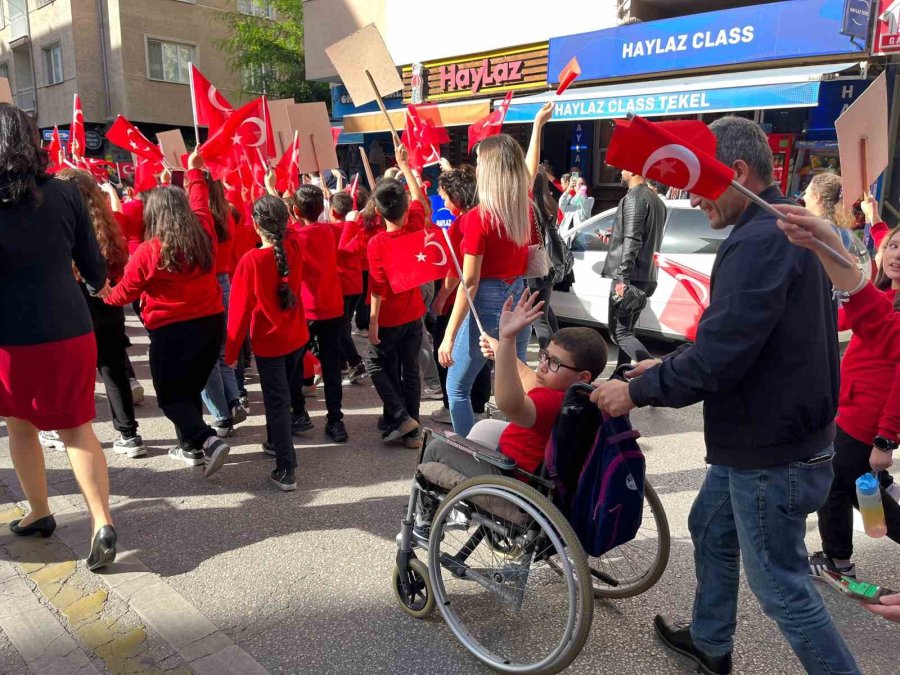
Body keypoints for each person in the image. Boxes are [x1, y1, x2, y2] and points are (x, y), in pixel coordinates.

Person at [592, 116, 860, 675]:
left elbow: (720, 357)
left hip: (771, 450)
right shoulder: (784, 225)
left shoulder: (765, 237)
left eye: (696, 184)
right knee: (710, 526)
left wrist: (636, 391)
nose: (691, 199)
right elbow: (745, 339)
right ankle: (711, 642)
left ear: (735, 173)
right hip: (764, 439)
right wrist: (666, 362)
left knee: (782, 587)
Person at [0, 103, 117, 571]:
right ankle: (102, 521)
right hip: (70, 327)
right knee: (77, 427)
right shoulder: (68, 193)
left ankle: (41, 512)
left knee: (19, 425)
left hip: (10, 336)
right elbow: (94, 267)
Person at [417, 291, 606, 536]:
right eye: (544, 356)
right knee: (484, 427)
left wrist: (507, 340)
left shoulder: (548, 402)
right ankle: (464, 505)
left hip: (517, 479)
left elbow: (509, 403)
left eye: (554, 364)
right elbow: (532, 380)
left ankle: (427, 522)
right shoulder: (580, 397)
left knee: (435, 448)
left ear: (583, 377)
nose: (543, 366)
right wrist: (500, 351)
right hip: (544, 472)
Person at [105, 151, 231, 479]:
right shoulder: (203, 229)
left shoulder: (150, 250)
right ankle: (190, 448)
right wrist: (193, 171)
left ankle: (206, 440)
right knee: (189, 389)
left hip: (172, 332)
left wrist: (102, 292)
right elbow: (200, 200)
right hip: (210, 325)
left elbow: (123, 293)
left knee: (171, 397)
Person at [809, 220, 900, 580]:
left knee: (839, 486)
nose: (897, 255)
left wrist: (885, 439)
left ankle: (837, 561)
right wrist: (874, 219)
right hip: (850, 411)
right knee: (855, 488)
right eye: (894, 246)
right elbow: (855, 315)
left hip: (868, 421)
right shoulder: (887, 295)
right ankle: (837, 557)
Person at [439, 132, 538, 437]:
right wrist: (537, 126)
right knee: (516, 379)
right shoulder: (524, 209)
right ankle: (517, 445)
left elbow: (469, 282)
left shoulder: (478, 218)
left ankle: (474, 454)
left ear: (490, 169)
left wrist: (448, 333)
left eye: (480, 161)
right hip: (519, 295)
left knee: (456, 388)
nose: (476, 166)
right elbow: (529, 172)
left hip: (488, 298)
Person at [56, 169, 145, 458]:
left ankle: (69, 431)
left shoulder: (59, 226)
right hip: (107, 305)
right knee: (114, 369)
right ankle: (129, 434)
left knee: (72, 373)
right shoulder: (110, 225)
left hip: (73, 307)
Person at [226, 196, 307, 491]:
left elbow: (238, 312)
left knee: (277, 402)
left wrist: (231, 353)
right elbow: (293, 228)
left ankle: (287, 468)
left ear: (256, 225)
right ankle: (275, 442)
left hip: (270, 342)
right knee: (283, 394)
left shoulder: (251, 260)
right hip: (296, 336)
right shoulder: (294, 246)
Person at [366, 144, 429, 448]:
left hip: (390, 316)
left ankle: (402, 417)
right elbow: (418, 199)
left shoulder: (377, 243)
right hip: (413, 312)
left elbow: (377, 287)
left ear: (378, 212)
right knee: (409, 371)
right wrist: (406, 166)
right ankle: (409, 429)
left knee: (377, 365)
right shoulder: (416, 226)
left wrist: (373, 321)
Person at [430, 169, 491, 426]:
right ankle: (479, 405)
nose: (443, 203)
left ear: (456, 196)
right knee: (481, 356)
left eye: (444, 197)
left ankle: (455, 410)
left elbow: (459, 272)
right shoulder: (486, 215)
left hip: (461, 299)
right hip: (485, 297)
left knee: (451, 357)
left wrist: (442, 296)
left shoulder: (464, 223)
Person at [288, 185, 349, 443]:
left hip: (307, 310)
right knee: (332, 366)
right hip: (333, 306)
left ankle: (299, 412)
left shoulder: (293, 236)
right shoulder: (329, 230)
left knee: (293, 363)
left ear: (296, 211)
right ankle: (335, 419)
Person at [601, 169, 665, 369]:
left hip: (630, 278)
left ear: (633, 170)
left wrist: (621, 279)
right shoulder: (656, 200)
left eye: (623, 167)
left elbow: (633, 240)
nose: (620, 171)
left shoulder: (636, 197)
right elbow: (638, 237)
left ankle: (653, 371)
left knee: (619, 333)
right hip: (646, 277)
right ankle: (622, 373)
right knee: (627, 331)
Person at [201, 175, 247, 438]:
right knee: (221, 352)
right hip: (225, 283)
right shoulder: (227, 216)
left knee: (208, 357)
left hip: (208, 285)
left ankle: (222, 415)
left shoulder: (202, 219)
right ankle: (232, 401)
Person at [330, 190, 368, 386]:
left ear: (333, 212)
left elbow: (342, 249)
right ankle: (344, 362)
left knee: (342, 328)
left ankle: (355, 362)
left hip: (345, 287)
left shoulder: (346, 229)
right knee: (342, 326)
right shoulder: (356, 227)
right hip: (354, 286)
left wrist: (350, 224)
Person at [530, 167, 562, 350]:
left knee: (539, 320)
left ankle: (547, 356)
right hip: (548, 265)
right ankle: (558, 349)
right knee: (546, 313)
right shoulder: (550, 204)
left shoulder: (530, 207)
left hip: (534, 267)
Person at [557, 175, 594, 239]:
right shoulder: (569, 200)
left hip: (580, 237)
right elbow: (561, 203)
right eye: (577, 184)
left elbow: (580, 200)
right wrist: (569, 187)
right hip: (565, 236)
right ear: (574, 186)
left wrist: (582, 189)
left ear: (585, 187)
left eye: (582, 184)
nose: (580, 186)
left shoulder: (589, 200)